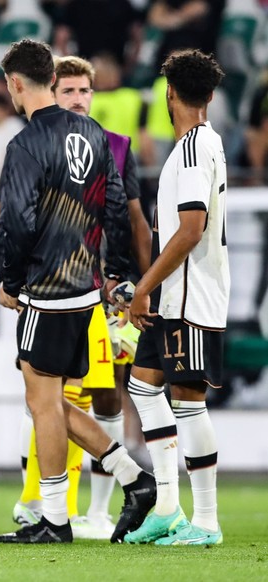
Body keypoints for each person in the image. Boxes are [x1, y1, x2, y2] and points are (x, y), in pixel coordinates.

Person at [0, 39, 155, 544]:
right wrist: (112, 274)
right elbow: (116, 213)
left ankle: (56, 520)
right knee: (54, 402)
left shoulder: (24, 145)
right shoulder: (92, 132)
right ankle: (133, 477)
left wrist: (10, 281)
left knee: (43, 402)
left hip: (46, 288)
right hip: (86, 291)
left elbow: (15, 222)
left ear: (17, 84)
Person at [122, 49, 227, 546]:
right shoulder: (206, 142)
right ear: (208, 95)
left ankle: (205, 521)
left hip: (188, 296)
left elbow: (189, 230)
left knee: (188, 400)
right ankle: (167, 505)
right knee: (143, 386)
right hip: (175, 296)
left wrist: (143, 287)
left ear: (169, 94)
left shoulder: (190, 150)